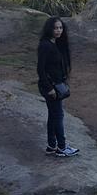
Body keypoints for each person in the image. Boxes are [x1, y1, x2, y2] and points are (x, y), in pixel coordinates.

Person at [37, 17, 78, 157]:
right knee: (58, 115)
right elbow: (40, 69)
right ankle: (61, 147)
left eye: (60, 28)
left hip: (55, 85)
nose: (58, 30)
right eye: (55, 28)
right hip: (51, 87)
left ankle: (51, 145)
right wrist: (49, 88)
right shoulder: (45, 45)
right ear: (50, 29)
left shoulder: (55, 44)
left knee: (53, 115)